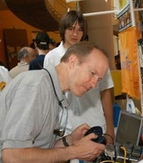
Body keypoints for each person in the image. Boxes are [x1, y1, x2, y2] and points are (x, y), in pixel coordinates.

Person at [0, 41, 108, 163]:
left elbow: (35, 150)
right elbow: (12, 157)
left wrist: (69, 140)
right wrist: (73, 151)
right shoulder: (36, 87)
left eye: (98, 80)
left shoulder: (53, 92)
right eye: (92, 73)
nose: (94, 84)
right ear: (73, 61)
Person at [44, 10, 115, 145]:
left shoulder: (96, 58)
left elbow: (105, 91)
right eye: (71, 29)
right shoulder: (51, 58)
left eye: (80, 30)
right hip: (65, 129)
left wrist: (110, 130)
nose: (75, 34)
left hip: (95, 125)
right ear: (63, 30)